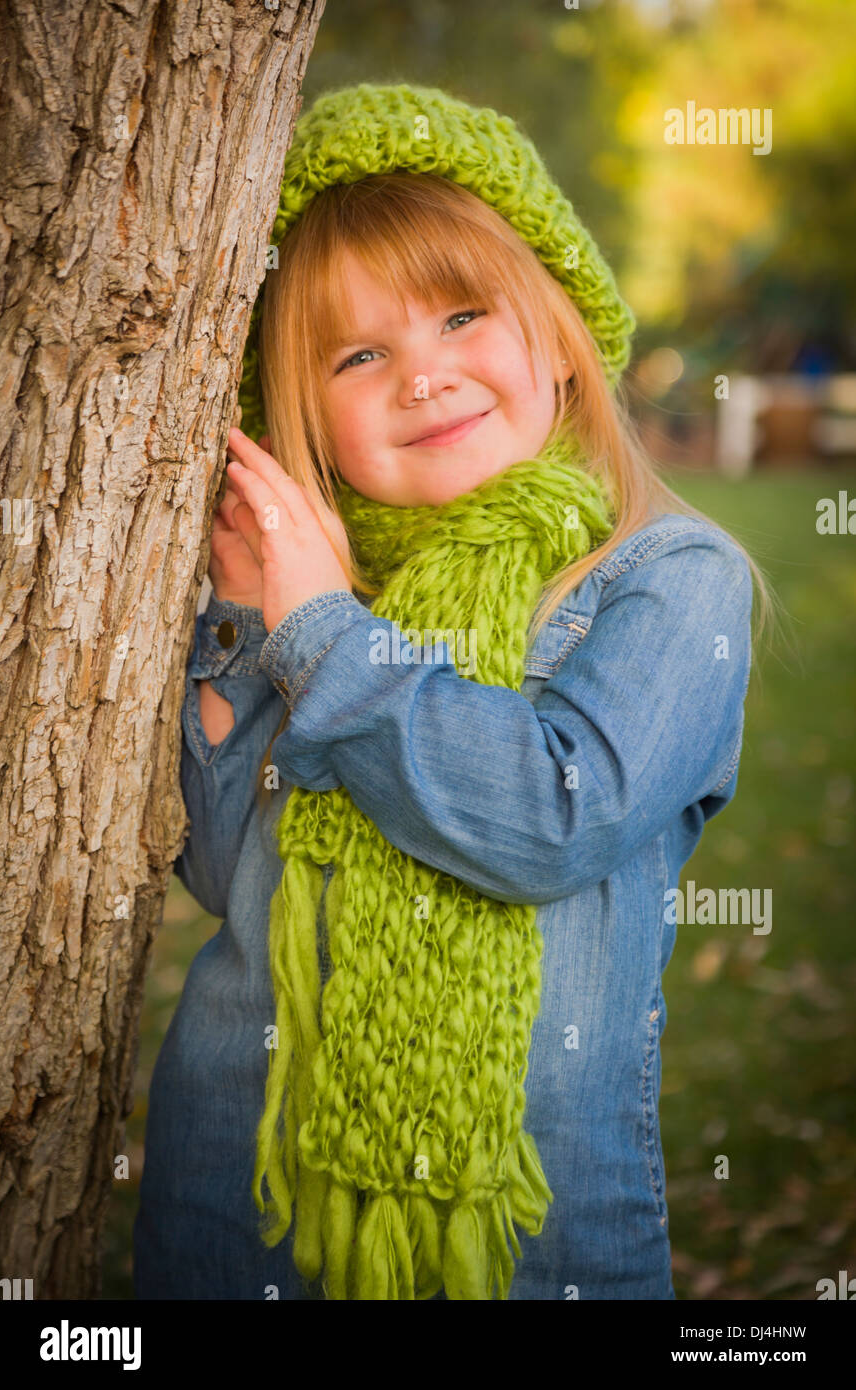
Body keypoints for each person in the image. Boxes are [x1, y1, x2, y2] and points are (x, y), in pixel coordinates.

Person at [133, 81, 771, 1301]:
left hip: (532, 1241)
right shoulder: (314, 586)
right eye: (359, 353)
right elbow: (227, 871)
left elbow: (549, 818)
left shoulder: (668, 581)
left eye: (462, 315)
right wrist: (239, 618)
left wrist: (322, 635)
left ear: (558, 341)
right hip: (244, 1202)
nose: (420, 375)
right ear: (298, 412)